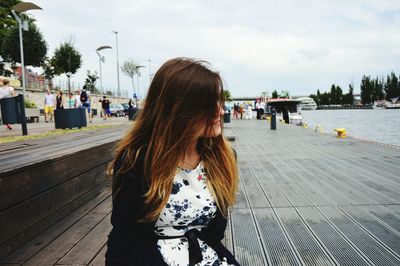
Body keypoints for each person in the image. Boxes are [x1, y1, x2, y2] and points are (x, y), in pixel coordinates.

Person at [105, 58, 240, 266]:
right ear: (179, 111)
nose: (221, 111)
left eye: (219, 102)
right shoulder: (136, 161)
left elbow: (214, 234)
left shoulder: (220, 158)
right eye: (209, 105)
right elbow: (123, 235)